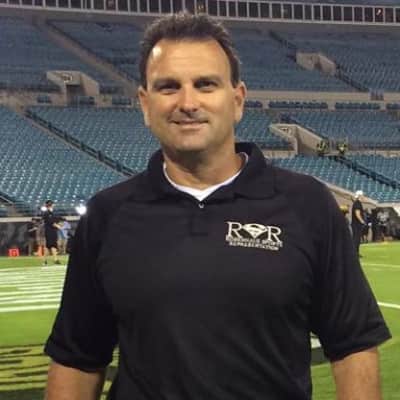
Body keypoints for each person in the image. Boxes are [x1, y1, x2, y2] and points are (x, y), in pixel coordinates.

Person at [44, 13, 391, 400]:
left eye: (205, 84)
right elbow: (77, 359)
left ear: (237, 100)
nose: (187, 102)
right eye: (168, 87)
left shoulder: (306, 204)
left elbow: (353, 345)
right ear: (145, 104)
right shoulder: (108, 215)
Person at [42, 200, 61, 265]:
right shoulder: (46, 213)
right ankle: (55, 260)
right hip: (49, 231)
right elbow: (51, 222)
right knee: (51, 245)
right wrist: (58, 226)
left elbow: (56, 220)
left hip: (53, 231)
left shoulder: (53, 213)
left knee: (50, 246)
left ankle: (45, 260)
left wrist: (59, 224)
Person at [351, 190, 366, 257]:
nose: (363, 196)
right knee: (356, 239)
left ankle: (356, 253)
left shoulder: (357, 203)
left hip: (356, 224)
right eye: (362, 195)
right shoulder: (357, 203)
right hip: (356, 224)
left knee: (357, 239)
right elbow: (357, 214)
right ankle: (354, 254)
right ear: (360, 196)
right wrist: (362, 221)